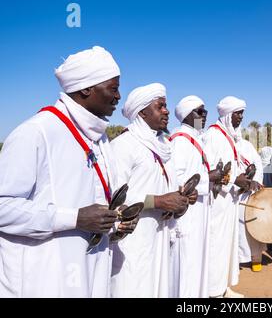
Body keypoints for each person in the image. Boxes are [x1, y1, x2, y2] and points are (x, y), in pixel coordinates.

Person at [0, 46, 137, 297]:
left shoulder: (100, 138)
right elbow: (2, 207)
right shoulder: (36, 132)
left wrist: (114, 223)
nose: (118, 97)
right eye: (113, 88)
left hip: (91, 269)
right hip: (45, 278)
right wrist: (74, 218)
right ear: (86, 88)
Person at [110, 83, 192, 298]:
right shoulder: (124, 145)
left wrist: (180, 199)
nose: (166, 111)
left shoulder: (163, 145)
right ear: (143, 112)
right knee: (132, 287)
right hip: (133, 239)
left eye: (166, 106)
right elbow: (113, 197)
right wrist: (157, 202)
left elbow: (168, 188)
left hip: (160, 234)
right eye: (160, 106)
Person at [203, 96, 252, 298]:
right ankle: (213, 290)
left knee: (227, 244)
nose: (240, 117)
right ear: (226, 115)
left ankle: (223, 286)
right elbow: (210, 168)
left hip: (229, 200)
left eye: (242, 113)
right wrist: (234, 180)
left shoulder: (229, 136)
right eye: (237, 113)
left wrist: (243, 178)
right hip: (217, 202)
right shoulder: (213, 135)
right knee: (215, 244)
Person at [168, 95, 213, 298]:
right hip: (187, 212)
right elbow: (176, 178)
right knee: (185, 262)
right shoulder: (180, 140)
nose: (204, 116)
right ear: (187, 115)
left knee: (196, 261)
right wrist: (209, 178)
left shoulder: (196, 139)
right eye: (200, 112)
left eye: (205, 112)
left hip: (200, 209)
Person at [237, 139, 265, 272]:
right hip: (233, 194)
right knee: (236, 228)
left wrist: (256, 180)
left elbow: (257, 163)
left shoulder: (247, 145)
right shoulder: (221, 142)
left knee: (252, 225)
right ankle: (237, 259)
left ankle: (256, 257)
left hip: (250, 192)